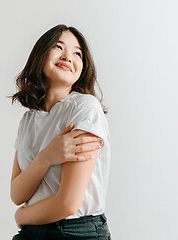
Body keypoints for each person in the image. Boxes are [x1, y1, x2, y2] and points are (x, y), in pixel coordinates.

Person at [9, 24, 112, 240]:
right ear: (40, 54)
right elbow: (17, 193)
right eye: (58, 47)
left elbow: (68, 203)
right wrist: (46, 157)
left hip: (77, 232)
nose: (68, 57)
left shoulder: (85, 108)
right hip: (32, 232)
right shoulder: (28, 119)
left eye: (77, 53)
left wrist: (21, 217)